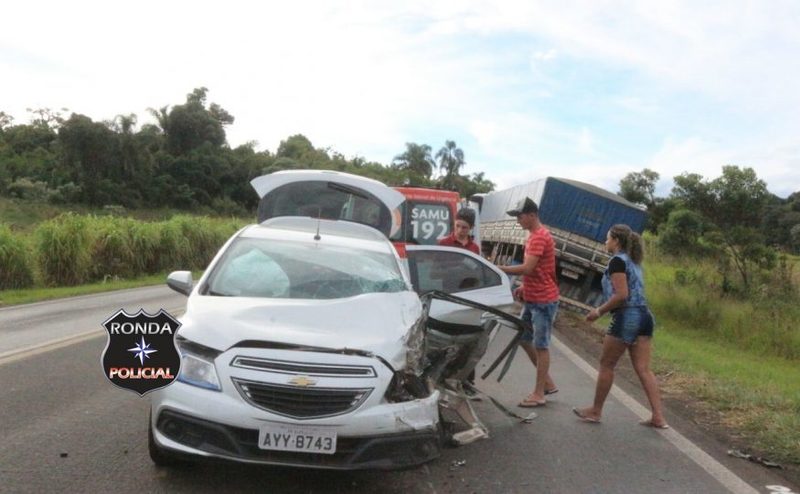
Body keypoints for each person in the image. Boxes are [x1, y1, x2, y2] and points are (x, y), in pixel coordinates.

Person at [572, 224, 668, 429]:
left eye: (608, 238)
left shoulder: (617, 261)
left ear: (616, 240)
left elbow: (622, 295)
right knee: (643, 369)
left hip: (627, 317)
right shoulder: (634, 261)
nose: (605, 242)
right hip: (645, 316)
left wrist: (599, 311)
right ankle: (658, 416)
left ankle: (596, 411)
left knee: (607, 364)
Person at [498, 197, 559, 407]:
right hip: (533, 298)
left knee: (541, 346)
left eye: (520, 216)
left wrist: (500, 269)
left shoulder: (539, 237)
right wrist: (525, 286)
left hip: (543, 300)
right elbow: (541, 270)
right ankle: (548, 383)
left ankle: (539, 393)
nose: (518, 221)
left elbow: (527, 268)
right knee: (524, 339)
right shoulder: (534, 235)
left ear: (532, 215)